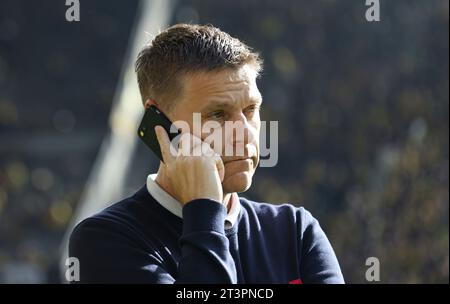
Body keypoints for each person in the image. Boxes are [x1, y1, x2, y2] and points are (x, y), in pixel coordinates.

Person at [69, 23, 344, 284]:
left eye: (250, 110)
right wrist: (204, 209)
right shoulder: (105, 240)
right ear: (158, 124)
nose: (246, 133)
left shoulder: (296, 232)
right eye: (218, 114)